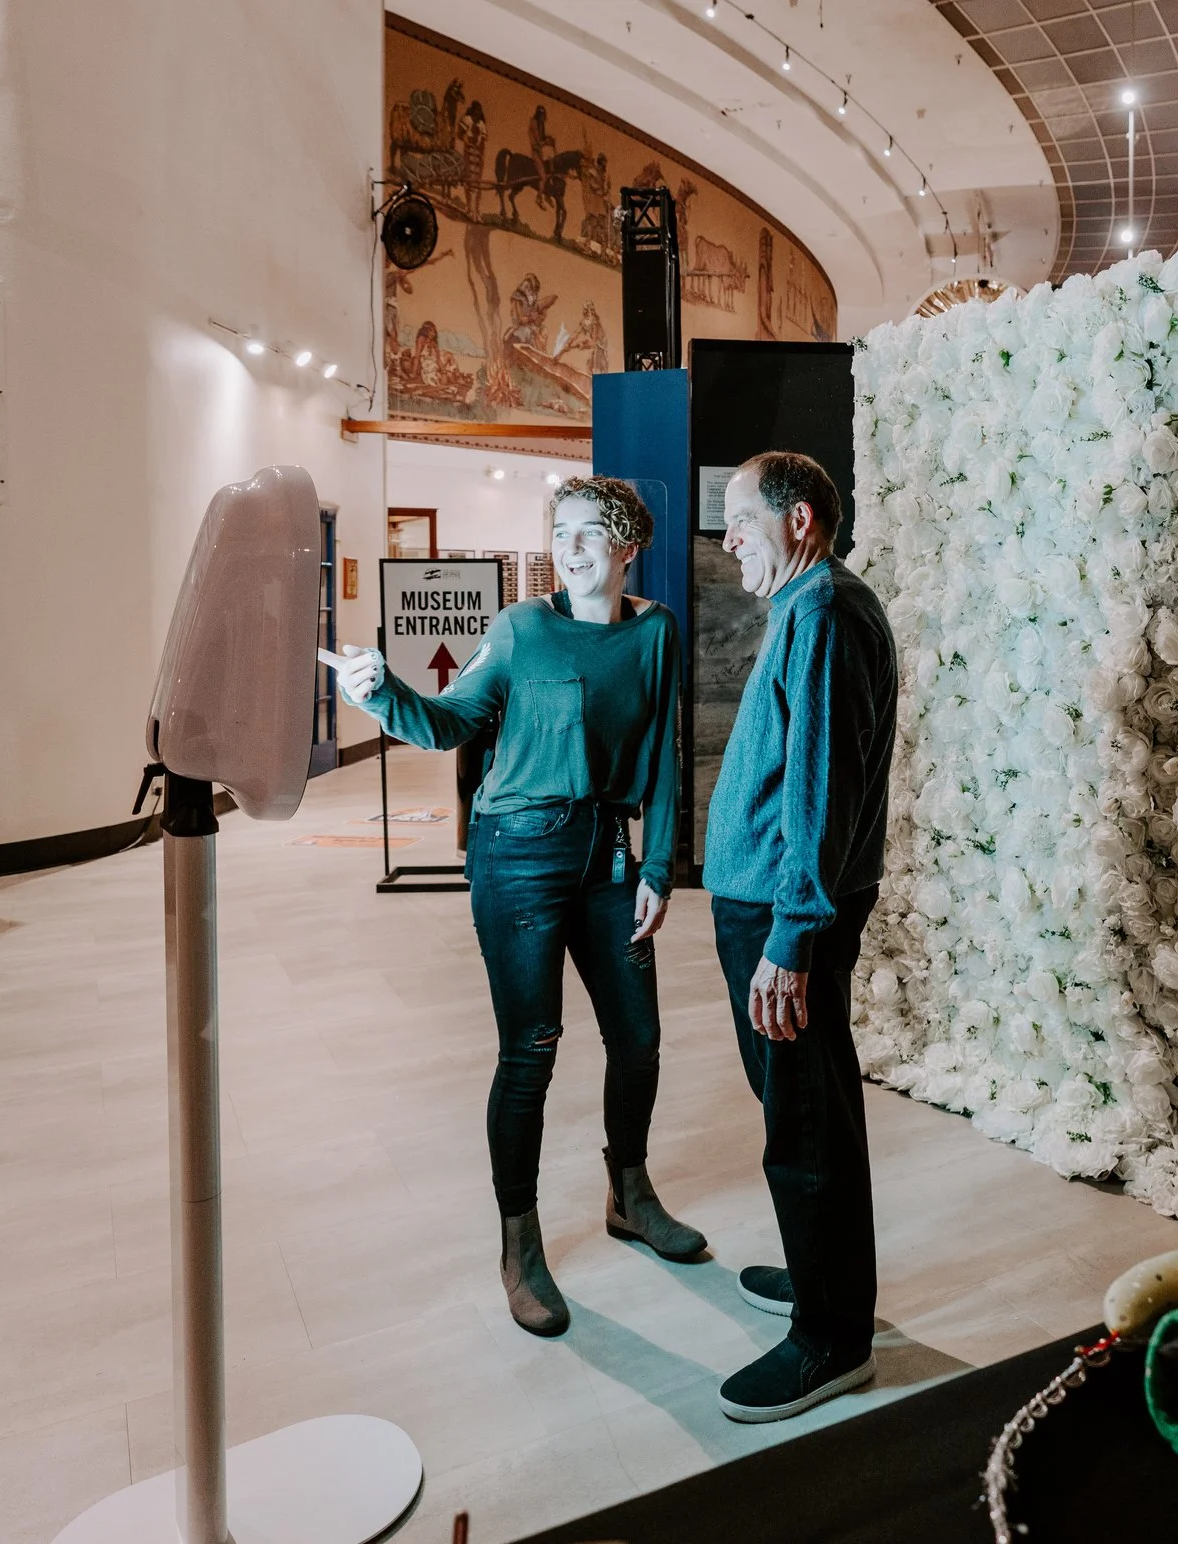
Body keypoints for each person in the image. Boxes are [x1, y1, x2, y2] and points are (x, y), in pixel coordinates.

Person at [331, 476, 703, 1337]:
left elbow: (662, 753)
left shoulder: (655, 632)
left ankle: (631, 1193)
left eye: (588, 533)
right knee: (531, 1049)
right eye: (560, 531)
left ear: (626, 547)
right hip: (518, 856)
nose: (570, 547)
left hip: (612, 856)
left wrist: (659, 867)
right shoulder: (518, 629)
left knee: (639, 1039)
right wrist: (381, 692)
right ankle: (520, 1243)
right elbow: (452, 720)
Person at [705, 451, 898, 1423]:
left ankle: (833, 1336)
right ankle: (831, 1276)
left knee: (803, 1117)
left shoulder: (821, 610)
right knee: (809, 1097)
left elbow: (821, 787)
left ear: (802, 520)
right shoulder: (810, 604)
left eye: (742, 518)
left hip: (786, 916)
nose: (728, 535)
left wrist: (792, 933)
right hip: (777, 906)